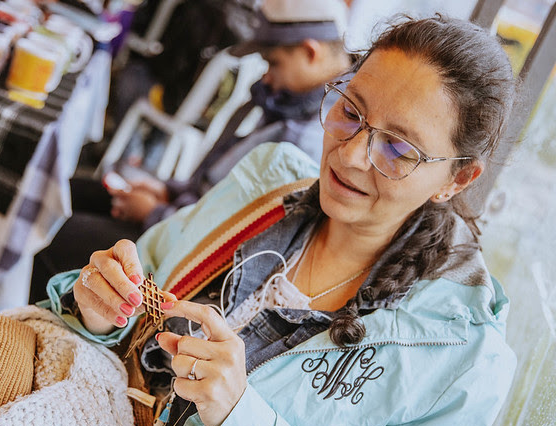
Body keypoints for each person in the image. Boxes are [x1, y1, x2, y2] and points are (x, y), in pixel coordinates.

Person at [43, 13, 519, 426]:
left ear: (458, 179)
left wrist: (239, 423)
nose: (351, 155)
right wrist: (98, 307)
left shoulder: (458, 355)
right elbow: (138, 286)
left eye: (399, 149)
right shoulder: (264, 184)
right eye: (351, 111)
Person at [28, 0, 353, 303]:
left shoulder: (309, 139)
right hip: (183, 215)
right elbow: (222, 186)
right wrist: (169, 191)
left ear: (310, 52)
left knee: (55, 234)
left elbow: (231, 236)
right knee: (67, 191)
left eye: (274, 63)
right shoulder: (289, 102)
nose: (267, 77)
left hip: (185, 253)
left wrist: (155, 213)